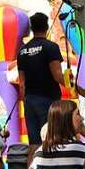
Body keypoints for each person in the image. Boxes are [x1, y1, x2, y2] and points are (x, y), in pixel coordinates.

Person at [16, 12, 65, 148]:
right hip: (48, 100)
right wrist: (74, 85)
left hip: (30, 100)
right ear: (47, 26)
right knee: (51, 141)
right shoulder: (51, 47)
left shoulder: (22, 51)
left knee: (34, 144)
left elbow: (22, 84)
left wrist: (26, 100)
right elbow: (57, 75)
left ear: (32, 29)